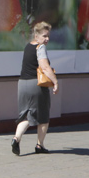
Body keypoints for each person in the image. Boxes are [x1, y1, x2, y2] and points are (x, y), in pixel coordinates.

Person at [11, 21, 58, 156]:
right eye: (44, 36)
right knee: (42, 115)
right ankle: (40, 145)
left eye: (48, 36)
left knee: (26, 114)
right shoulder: (40, 47)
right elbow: (44, 67)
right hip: (36, 85)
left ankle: (16, 138)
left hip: (22, 84)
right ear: (36, 35)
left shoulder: (28, 46)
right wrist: (55, 81)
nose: (47, 39)